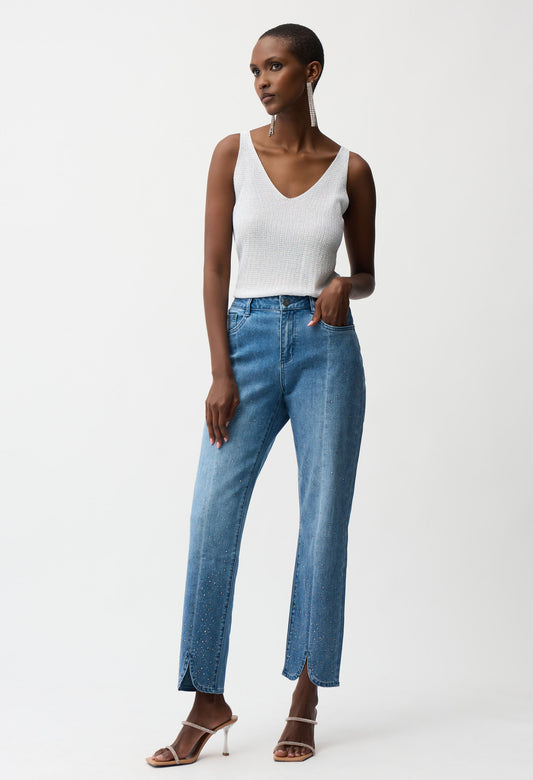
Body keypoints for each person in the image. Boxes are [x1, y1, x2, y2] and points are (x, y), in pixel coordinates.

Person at [146, 22, 376, 767]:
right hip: (244, 344)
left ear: (311, 72)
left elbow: (367, 273)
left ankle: (305, 695)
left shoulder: (351, 169)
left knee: (322, 522)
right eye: (254, 70)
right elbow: (215, 269)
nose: (261, 81)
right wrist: (222, 372)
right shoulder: (232, 154)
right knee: (212, 517)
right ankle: (205, 699)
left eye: (274, 67)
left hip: (325, 350)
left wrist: (344, 285)